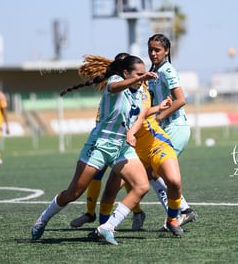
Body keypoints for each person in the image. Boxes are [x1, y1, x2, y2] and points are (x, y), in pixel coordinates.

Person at [31, 55, 169, 245]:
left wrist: (133, 131)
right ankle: (43, 220)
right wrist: (140, 79)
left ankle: (107, 227)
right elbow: (114, 88)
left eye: (144, 74)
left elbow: (140, 116)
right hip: (100, 145)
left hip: (122, 148)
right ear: (126, 73)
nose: (143, 77)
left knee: (142, 186)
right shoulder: (115, 81)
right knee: (73, 193)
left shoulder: (139, 92)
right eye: (138, 74)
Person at [69, 53, 148, 231]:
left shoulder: (140, 87)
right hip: (105, 139)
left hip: (128, 141)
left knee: (123, 185)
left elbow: (143, 113)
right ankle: (93, 216)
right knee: (96, 177)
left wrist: (132, 132)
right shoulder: (115, 85)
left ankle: (136, 212)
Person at [95, 80, 185, 237]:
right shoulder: (113, 94)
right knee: (110, 189)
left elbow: (141, 114)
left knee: (174, 182)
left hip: (155, 144)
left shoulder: (141, 89)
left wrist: (158, 108)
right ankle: (102, 227)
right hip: (131, 150)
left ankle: (172, 219)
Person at [147, 33, 197, 228]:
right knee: (152, 173)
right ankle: (182, 210)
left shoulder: (167, 70)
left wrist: (159, 117)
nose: (153, 53)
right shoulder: (154, 71)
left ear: (166, 51)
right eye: (150, 49)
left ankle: (180, 212)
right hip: (165, 130)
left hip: (176, 127)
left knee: (157, 172)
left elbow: (181, 100)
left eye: (157, 50)